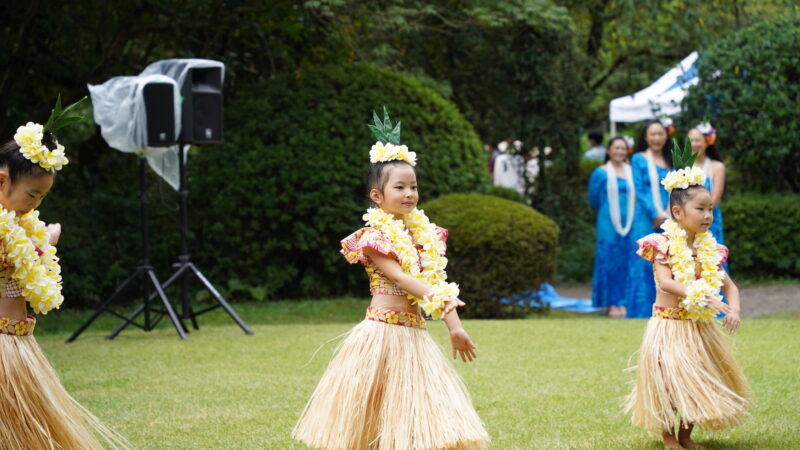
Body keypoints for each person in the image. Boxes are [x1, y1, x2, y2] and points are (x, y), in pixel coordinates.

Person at [292, 108, 489, 450]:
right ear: (377, 197)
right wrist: (440, 299)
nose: (410, 193)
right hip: (380, 335)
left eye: (414, 186)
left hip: (415, 337)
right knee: (369, 421)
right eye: (400, 187)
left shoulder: (424, 237)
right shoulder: (374, 238)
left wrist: (455, 327)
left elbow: (437, 282)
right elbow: (401, 277)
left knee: (418, 420)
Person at [0, 97, 130, 449]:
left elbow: (26, 273)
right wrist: (45, 245)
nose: (36, 205)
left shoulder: (22, 226)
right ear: (2, 182)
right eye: (32, 195)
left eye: (42, 198)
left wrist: (42, 244)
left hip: (19, 341)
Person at [625, 143, 750, 449]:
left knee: (697, 382)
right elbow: (666, 283)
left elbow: (729, 286)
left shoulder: (710, 249)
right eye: (701, 209)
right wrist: (702, 294)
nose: (708, 215)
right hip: (668, 326)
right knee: (668, 384)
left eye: (710, 209)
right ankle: (668, 437)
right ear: (678, 212)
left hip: (699, 328)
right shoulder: (663, 244)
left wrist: (732, 310)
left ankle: (685, 436)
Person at [625, 120, 674, 318]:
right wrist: (656, 214)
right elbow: (639, 188)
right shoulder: (638, 158)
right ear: (645, 137)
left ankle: (666, 308)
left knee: (667, 261)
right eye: (652, 134)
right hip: (646, 218)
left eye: (660, 134)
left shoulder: (672, 159)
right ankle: (639, 311)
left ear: (666, 136)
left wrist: (668, 213)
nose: (656, 138)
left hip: (670, 216)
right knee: (643, 262)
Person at [588, 137, 635, 318]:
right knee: (610, 259)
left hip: (631, 221)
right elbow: (593, 198)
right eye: (616, 148)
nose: (620, 152)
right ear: (609, 151)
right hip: (608, 222)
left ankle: (625, 301)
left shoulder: (631, 172)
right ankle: (611, 303)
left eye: (623, 148)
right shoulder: (600, 173)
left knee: (627, 259)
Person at [688, 123, 726, 245]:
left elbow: (715, 199)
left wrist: (700, 218)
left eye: (697, 140)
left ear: (706, 141)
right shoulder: (681, 167)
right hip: (686, 222)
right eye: (690, 140)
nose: (694, 144)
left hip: (709, 220)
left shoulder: (717, 167)